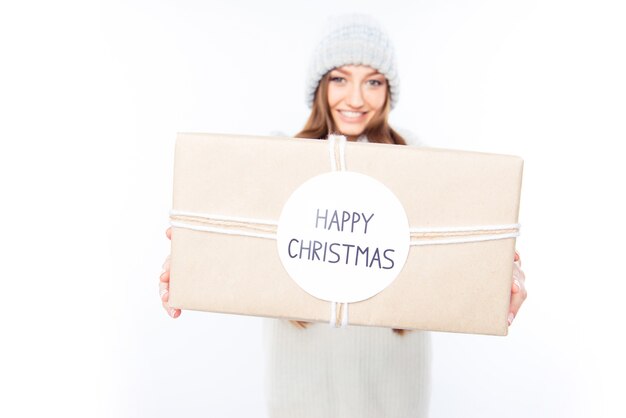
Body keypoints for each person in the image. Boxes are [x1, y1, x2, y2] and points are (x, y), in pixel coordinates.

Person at [158, 14, 527, 418]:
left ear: (388, 91)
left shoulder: (419, 164)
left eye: (373, 81)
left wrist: (497, 280)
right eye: (339, 78)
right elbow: (233, 242)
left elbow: (462, 252)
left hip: (392, 389)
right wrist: (192, 260)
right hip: (302, 387)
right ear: (320, 86)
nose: (355, 98)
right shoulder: (277, 162)